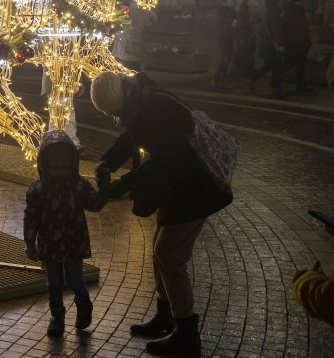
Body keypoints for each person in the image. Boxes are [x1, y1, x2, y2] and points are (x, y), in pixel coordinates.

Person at [90, 71, 234, 355]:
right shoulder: (141, 99)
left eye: (114, 111)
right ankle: (165, 315)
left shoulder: (156, 108)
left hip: (198, 185)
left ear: (122, 100)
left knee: (169, 253)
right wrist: (106, 162)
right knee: (161, 249)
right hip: (183, 183)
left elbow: (166, 161)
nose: (115, 117)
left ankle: (186, 332)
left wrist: (124, 185)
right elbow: (132, 137)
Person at [24, 130, 106, 338]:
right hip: (51, 243)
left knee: (74, 278)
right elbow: (31, 216)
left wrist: (105, 187)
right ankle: (57, 317)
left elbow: (94, 204)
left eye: (63, 160)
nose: (59, 165)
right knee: (53, 282)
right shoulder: (39, 189)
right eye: (54, 160)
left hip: (73, 241)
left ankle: (83, 305)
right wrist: (29, 241)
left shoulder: (78, 186)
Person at [250, 0, 288, 97]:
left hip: (266, 44)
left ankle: (275, 86)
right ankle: (271, 85)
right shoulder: (274, 12)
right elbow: (276, 29)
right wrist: (280, 44)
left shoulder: (267, 11)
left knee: (273, 65)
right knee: (273, 64)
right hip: (271, 45)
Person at [112, 0, 155, 71]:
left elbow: (117, 24)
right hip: (134, 51)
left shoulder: (127, 7)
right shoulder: (145, 12)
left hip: (123, 49)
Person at [281, 0, 312, 93]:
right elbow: (307, 24)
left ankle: (276, 78)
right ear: (297, 2)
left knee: (289, 64)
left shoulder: (286, 13)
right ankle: (299, 86)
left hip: (293, 43)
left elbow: (283, 30)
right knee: (300, 66)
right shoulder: (302, 11)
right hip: (302, 43)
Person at [211, 0, 237, 90]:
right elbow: (220, 22)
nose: (234, 2)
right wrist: (231, 22)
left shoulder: (232, 10)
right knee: (225, 58)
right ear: (227, 0)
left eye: (235, 0)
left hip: (230, 36)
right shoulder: (221, 9)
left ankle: (222, 79)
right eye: (233, 0)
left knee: (228, 58)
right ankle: (216, 78)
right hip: (223, 37)